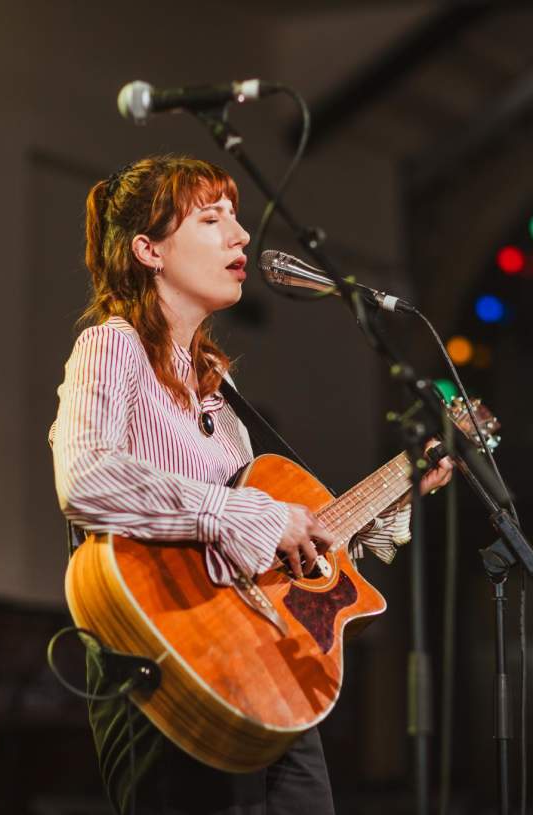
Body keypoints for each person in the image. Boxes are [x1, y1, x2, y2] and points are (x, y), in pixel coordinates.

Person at [50, 155, 453, 815]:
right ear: (149, 249)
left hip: (267, 668)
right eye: (212, 219)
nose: (241, 237)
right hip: (174, 659)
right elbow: (87, 476)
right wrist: (245, 513)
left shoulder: (221, 386)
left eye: (236, 218)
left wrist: (405, 484)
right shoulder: (112, 346)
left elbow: (293, 538)